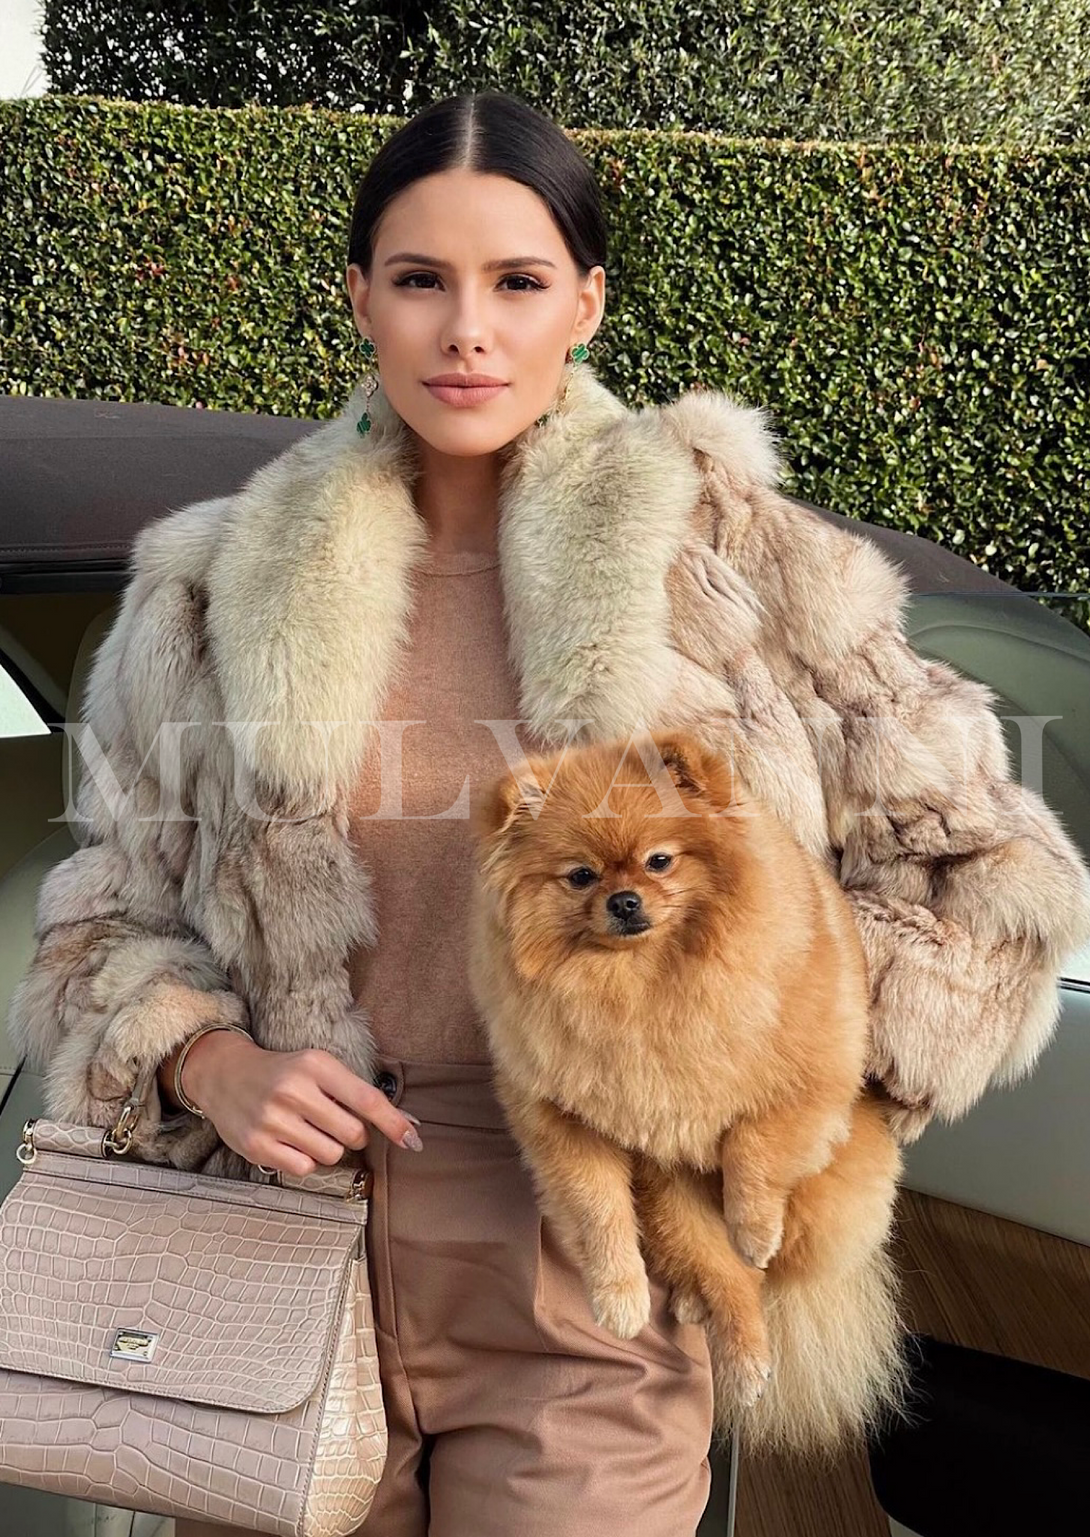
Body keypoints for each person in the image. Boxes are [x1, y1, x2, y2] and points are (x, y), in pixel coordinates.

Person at [8, 90, 1090, 1537]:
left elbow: (987, 873)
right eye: (420, 281)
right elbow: (103, 919)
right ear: (358, 301)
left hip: (593, 1246)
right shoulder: (205, 594)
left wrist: (782, 1092)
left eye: (516, 282)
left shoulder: (731, 564)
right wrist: (202, 1060)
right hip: (281, 1236)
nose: (468, 331)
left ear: (584, 301)